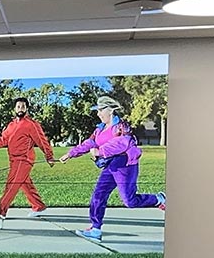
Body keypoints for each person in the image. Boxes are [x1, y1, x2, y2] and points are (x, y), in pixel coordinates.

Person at [62, 95, 165, 242]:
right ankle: (95, 229)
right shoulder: (99, 129)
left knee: (130, 201)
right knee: (98, 195)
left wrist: (100, 151)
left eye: (100, 110)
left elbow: (123, 143)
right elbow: (89, 143)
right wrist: (70, 154)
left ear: (110, 110)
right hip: (110, 166)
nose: (98, 114)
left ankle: (158, 199)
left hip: (125, 166)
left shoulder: (122, 127)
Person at [0, 96, 54, 219]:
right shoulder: (11, 125)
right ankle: (38, 206)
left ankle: (0, 211)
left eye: (23, 106)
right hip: (13, 159)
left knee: (12, 184)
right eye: (18, 106)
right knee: (25, 184)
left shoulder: (31, 124)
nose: (20, 109)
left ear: (27, 109)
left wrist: (49, 156)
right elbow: (4, 139)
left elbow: (42, 141)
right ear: (14, 109)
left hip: (24, 160)